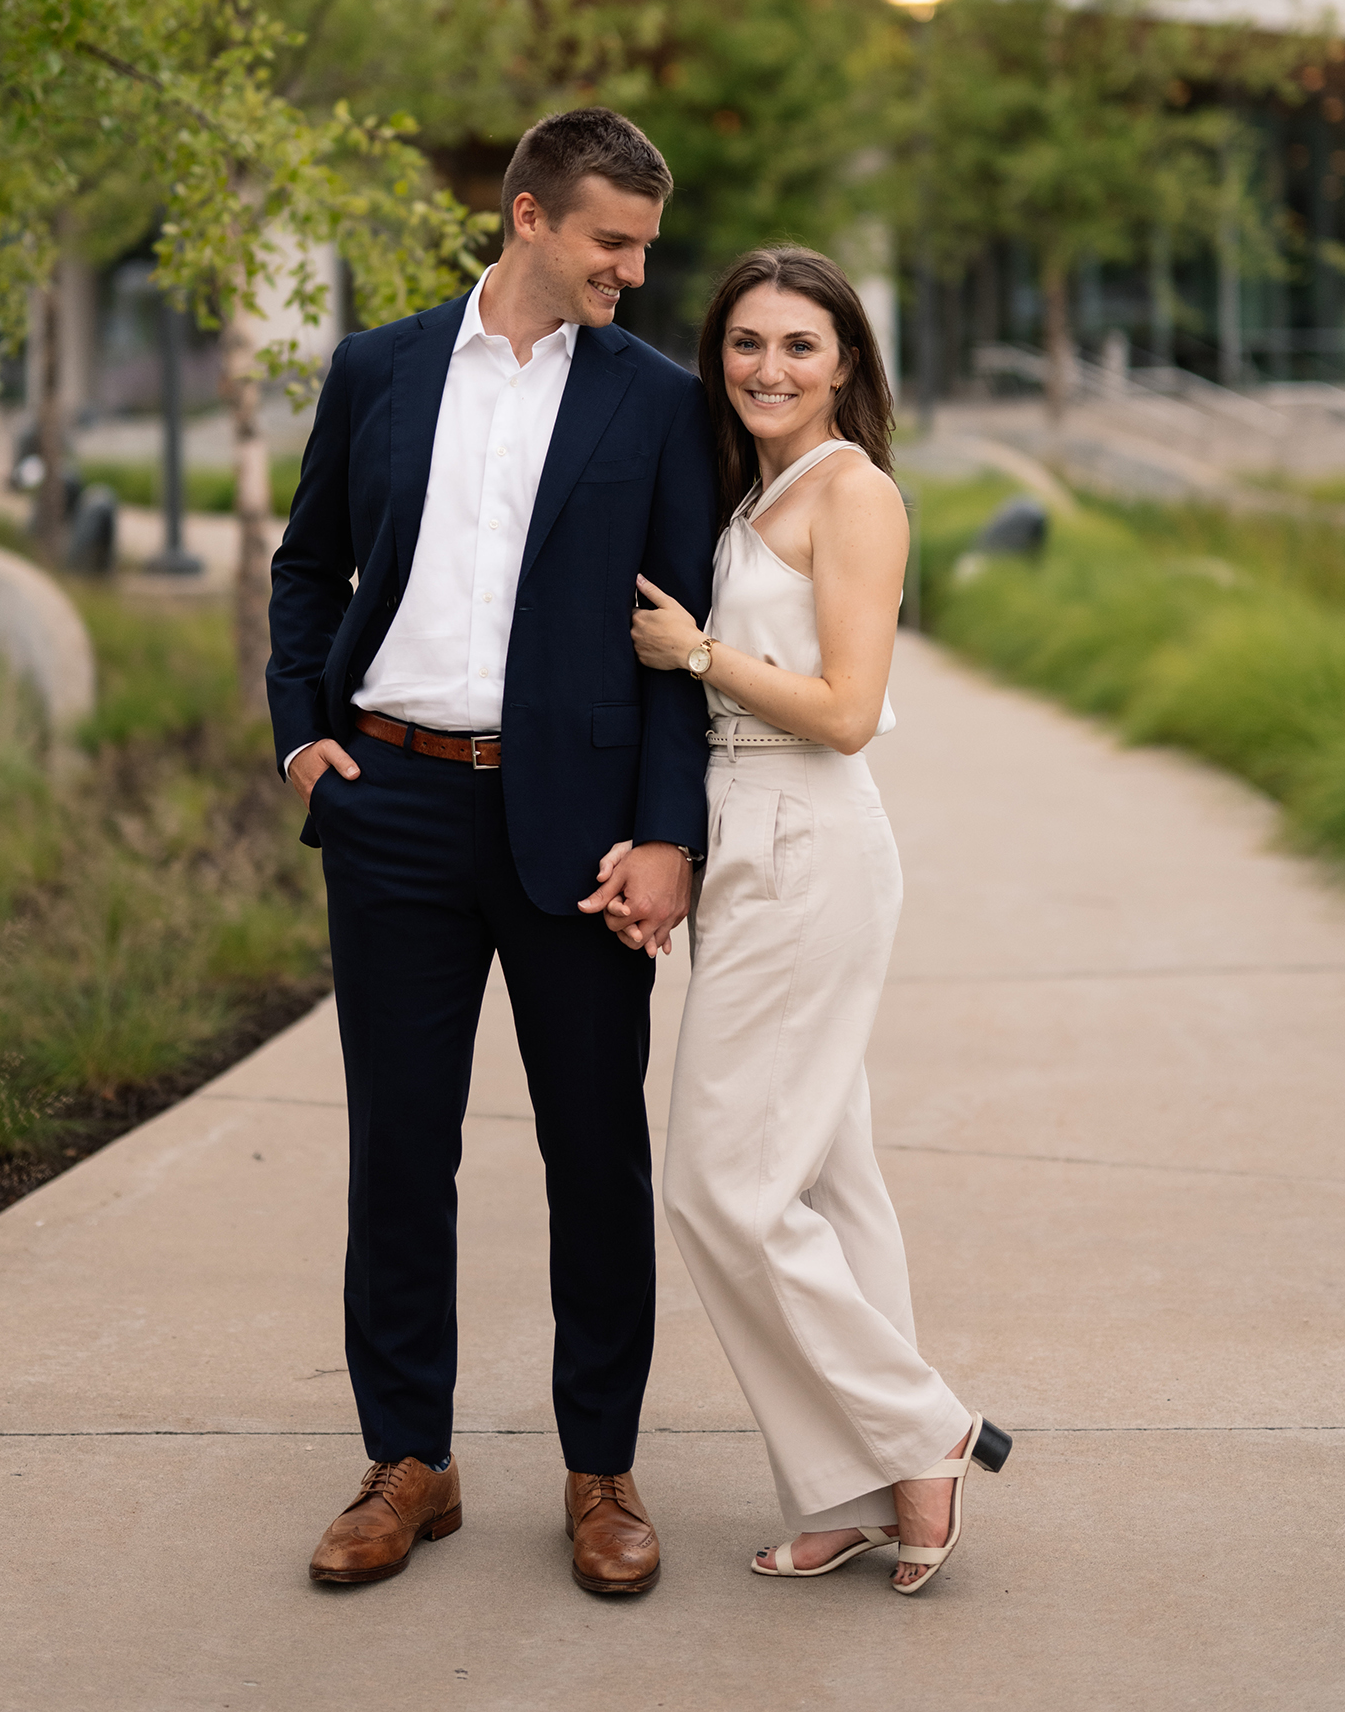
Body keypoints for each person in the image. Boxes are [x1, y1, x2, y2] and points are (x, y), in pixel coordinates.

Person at [266, 107, 716, 1595]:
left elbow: (672, 640)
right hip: (390, 802)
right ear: (529, 217)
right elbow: (307, 563)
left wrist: (667, 833)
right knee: (401, 1146)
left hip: (579, 834)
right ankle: (410, 1461)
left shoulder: (654, 402)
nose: (633, 274)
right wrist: (302, 735)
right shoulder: (379, 368)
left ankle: (602, 1470)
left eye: (644, 247)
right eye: (611, 242)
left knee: (597, 1152)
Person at [597, 246, 1010, 1595]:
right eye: (746, 344)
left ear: (847, 366)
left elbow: (843, 708)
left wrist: (701, 654)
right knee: (832, 1183)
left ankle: (921, 1429)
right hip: (748, 840)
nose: (767, 368)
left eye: (800, 347)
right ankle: (850, 1488)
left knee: (721, 1185)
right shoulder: (761, 487)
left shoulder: (857, 495)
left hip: (808, 840)